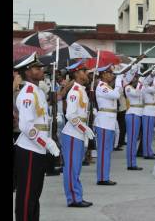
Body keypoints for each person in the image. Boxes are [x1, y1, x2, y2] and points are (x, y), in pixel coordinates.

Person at [13, 53, 60, 221]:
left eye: (41, 67)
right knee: (26, 196)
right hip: (29, 149)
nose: (41, 70)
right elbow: (26, 126)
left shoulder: (38, 91)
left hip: (37, 149)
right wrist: (45, 141)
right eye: (36, 68)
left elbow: (40, 120)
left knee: (34, 194)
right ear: (27, 72)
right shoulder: (27, 94)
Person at [60, 60, 95, 207]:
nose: (87, 74)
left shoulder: (81, 90)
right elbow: (70, 114)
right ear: (77, 73)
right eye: (84, 71)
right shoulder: (75, 91)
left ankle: (77, 195)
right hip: (73, 134)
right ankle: (73, 198)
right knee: (71, 168)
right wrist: (84, 128)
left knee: (76, 168)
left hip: (78, 134)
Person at [93, 65, 122, 185]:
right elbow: (116, 95)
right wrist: (119, 80)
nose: (112, 75)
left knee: (107, 151)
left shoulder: (108, 86)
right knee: (104, 151)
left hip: (109, 121)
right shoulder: (101, 86)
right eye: (110, 73)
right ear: (103, 74)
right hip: (104, 122)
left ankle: (104, 176)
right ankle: (102, 178)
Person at [124, 66, 144, 171]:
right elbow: (137, 94)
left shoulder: (137, 87)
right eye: (135, 77)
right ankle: (131, 164)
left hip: (137, 114)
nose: (137, 79)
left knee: (134, 139)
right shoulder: (128, 87)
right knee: (132, 140)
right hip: (132, 114)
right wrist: (141, 83)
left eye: (138, 77)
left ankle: (132, 162)